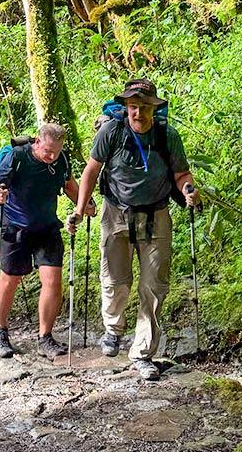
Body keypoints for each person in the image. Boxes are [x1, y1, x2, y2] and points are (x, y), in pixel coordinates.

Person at [68, 78, 200, 381]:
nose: (137, 113)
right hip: (116, 211)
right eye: (131, 107)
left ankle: (143, 353)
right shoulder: (111, 131)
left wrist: (189, 189)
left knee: (154, 285)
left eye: (142, 107)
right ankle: (113, 329)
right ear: (125, 107)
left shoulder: (167, 135)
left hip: (157, 214)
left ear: (153, 108)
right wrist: (79, 208)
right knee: (116, 280)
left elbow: (181, 173)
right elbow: (91, 170)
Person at [0, 123, 96, 360]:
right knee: (10, 279)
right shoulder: (17, 157)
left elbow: (68, 185)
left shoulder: (61, 160)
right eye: (48, 151)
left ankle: (45, 337)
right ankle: (0, 330)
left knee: (53, 280)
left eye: (56, 152)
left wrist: (85, 204)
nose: (51, 156)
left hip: (46, 227)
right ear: (37, 142)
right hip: (15, 226)